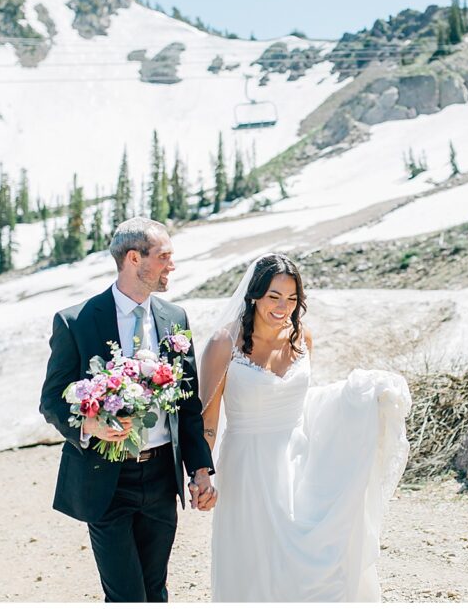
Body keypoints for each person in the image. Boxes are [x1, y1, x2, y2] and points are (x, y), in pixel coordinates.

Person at [199, 253, 411, 602]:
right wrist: (202, 474)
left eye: (292, 298)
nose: (283, 307)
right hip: (247, 469)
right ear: (254, 295)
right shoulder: (225, 344)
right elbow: (208, 420)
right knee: (254, 565)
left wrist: (362, 396)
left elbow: (307, 400)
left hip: (298, 461)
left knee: (304, 560)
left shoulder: (302, 339)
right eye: (274, 296)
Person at [39, 217, 217, 602]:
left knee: (155, 591)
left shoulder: (176, 318)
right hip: (105, 478)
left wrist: (200, 470)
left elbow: (188, 405)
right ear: (135, 258)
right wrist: (91, 425)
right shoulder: (76, 322)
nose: (172, 265)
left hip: (160, 478)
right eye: (165, 256)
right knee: (125, 596)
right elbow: (51, 400)